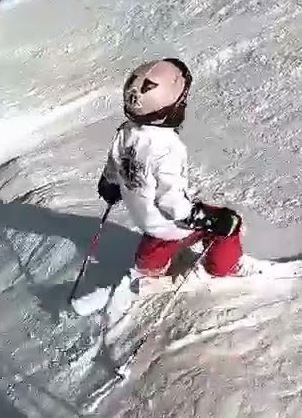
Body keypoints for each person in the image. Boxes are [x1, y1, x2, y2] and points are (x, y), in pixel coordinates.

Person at [96, 57, 257, 279]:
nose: (184, 106)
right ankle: (223, 269)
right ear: (167, 111)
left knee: (158, 234)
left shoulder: (126, 132)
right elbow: (171, 204)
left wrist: (110, 183)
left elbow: (114, 165)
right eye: (181, 103)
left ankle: (150, 264)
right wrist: (209, 219)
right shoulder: (167, 148)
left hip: (146, 220)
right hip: (169, 225)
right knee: (230, 224)